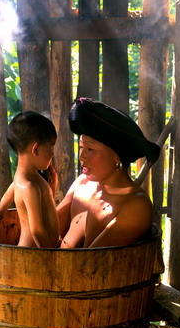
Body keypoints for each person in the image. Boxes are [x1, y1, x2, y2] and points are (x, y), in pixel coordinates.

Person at [57, 97, 161, 248]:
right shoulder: (82, 183)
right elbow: (49, 235)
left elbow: (94, 259)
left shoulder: (136, 206)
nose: (81, 156)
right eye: (81, 147)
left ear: (117, 156)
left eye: (90, 149)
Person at [0, 111, 60, 248]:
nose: (52, 155)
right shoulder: (29, 187)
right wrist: (51, 255)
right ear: (36, 149)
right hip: (33, 253)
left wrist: (1, 210)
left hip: (41, 249)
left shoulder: (25, 179)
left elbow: (12, 189)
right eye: (50, 149)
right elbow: (37, 232)